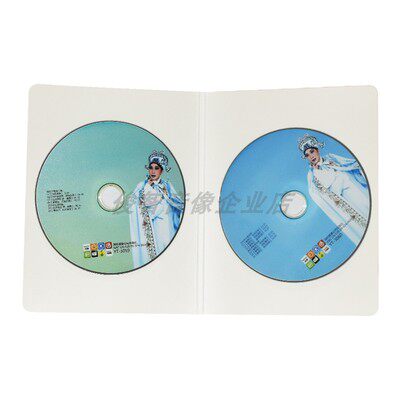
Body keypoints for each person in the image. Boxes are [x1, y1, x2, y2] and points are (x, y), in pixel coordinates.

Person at [298, 134, 369, 245]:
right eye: (307, 155)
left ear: (317, 150)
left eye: (312, 151)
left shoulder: (331, 158)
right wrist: (339, 180)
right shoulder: (312, 175)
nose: (311, 156)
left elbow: (350, 165)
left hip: (356, 188)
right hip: (347, 200)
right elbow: (322, 195)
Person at [128, 150, 183, 268]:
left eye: (156, 168)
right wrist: (149, 188)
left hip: (167, 224)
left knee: (168, 250)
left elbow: (177, 203)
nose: (153, 171)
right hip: (154, 225)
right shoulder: (142, 186)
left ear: (161, 170)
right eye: (151, 168)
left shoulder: (167, 185)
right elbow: (133, 204)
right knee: (157, 254)